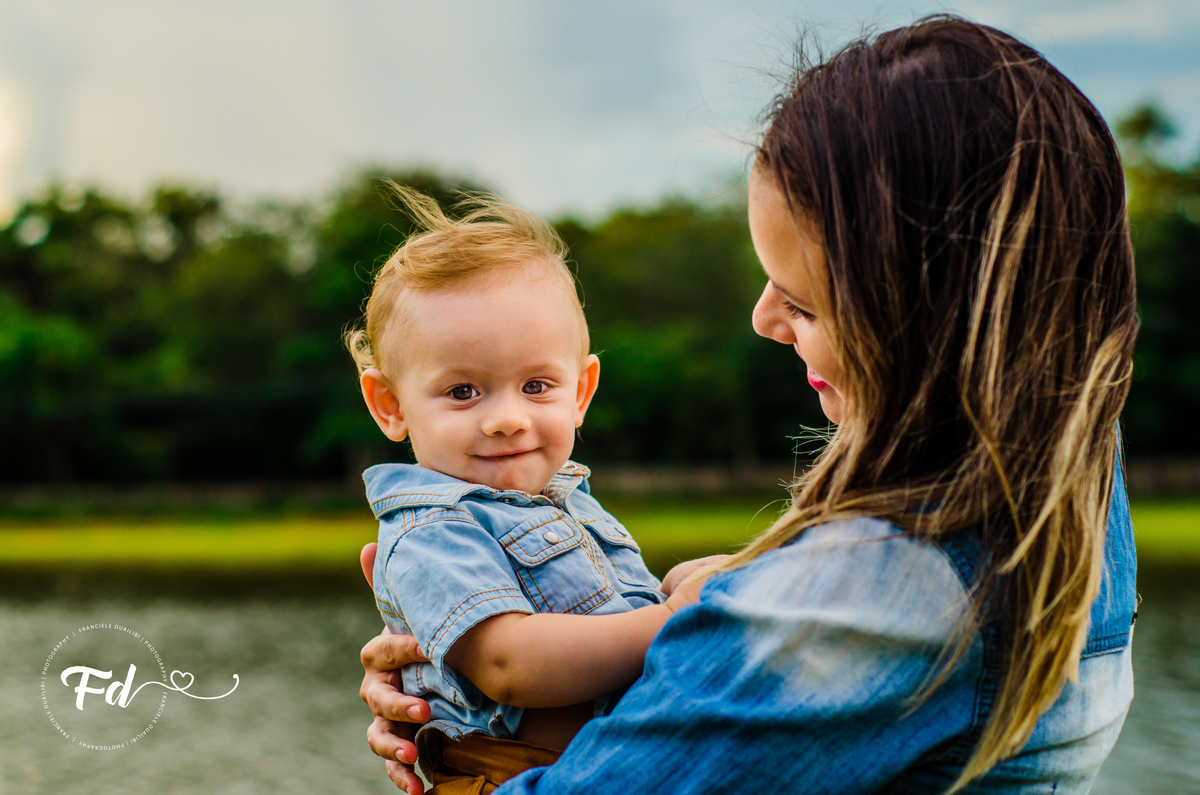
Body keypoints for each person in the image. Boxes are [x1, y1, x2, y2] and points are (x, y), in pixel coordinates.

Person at [358, 16, 1138, 794]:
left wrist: (719, 621)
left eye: (803, 303)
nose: (765, 320)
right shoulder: (1078, 479)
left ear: (918, 316)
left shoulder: (890, 588)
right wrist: (450, 677)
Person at [345, 186, 708, 793]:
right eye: (463, 391)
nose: (507, 417)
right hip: (509, 778)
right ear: (391, 405)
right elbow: (509, 662)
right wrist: (673, 617)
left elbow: (609, 619)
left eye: (537, 386)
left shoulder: (568, 502)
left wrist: (680, 588)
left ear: (582, 393)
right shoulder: (429, 530)